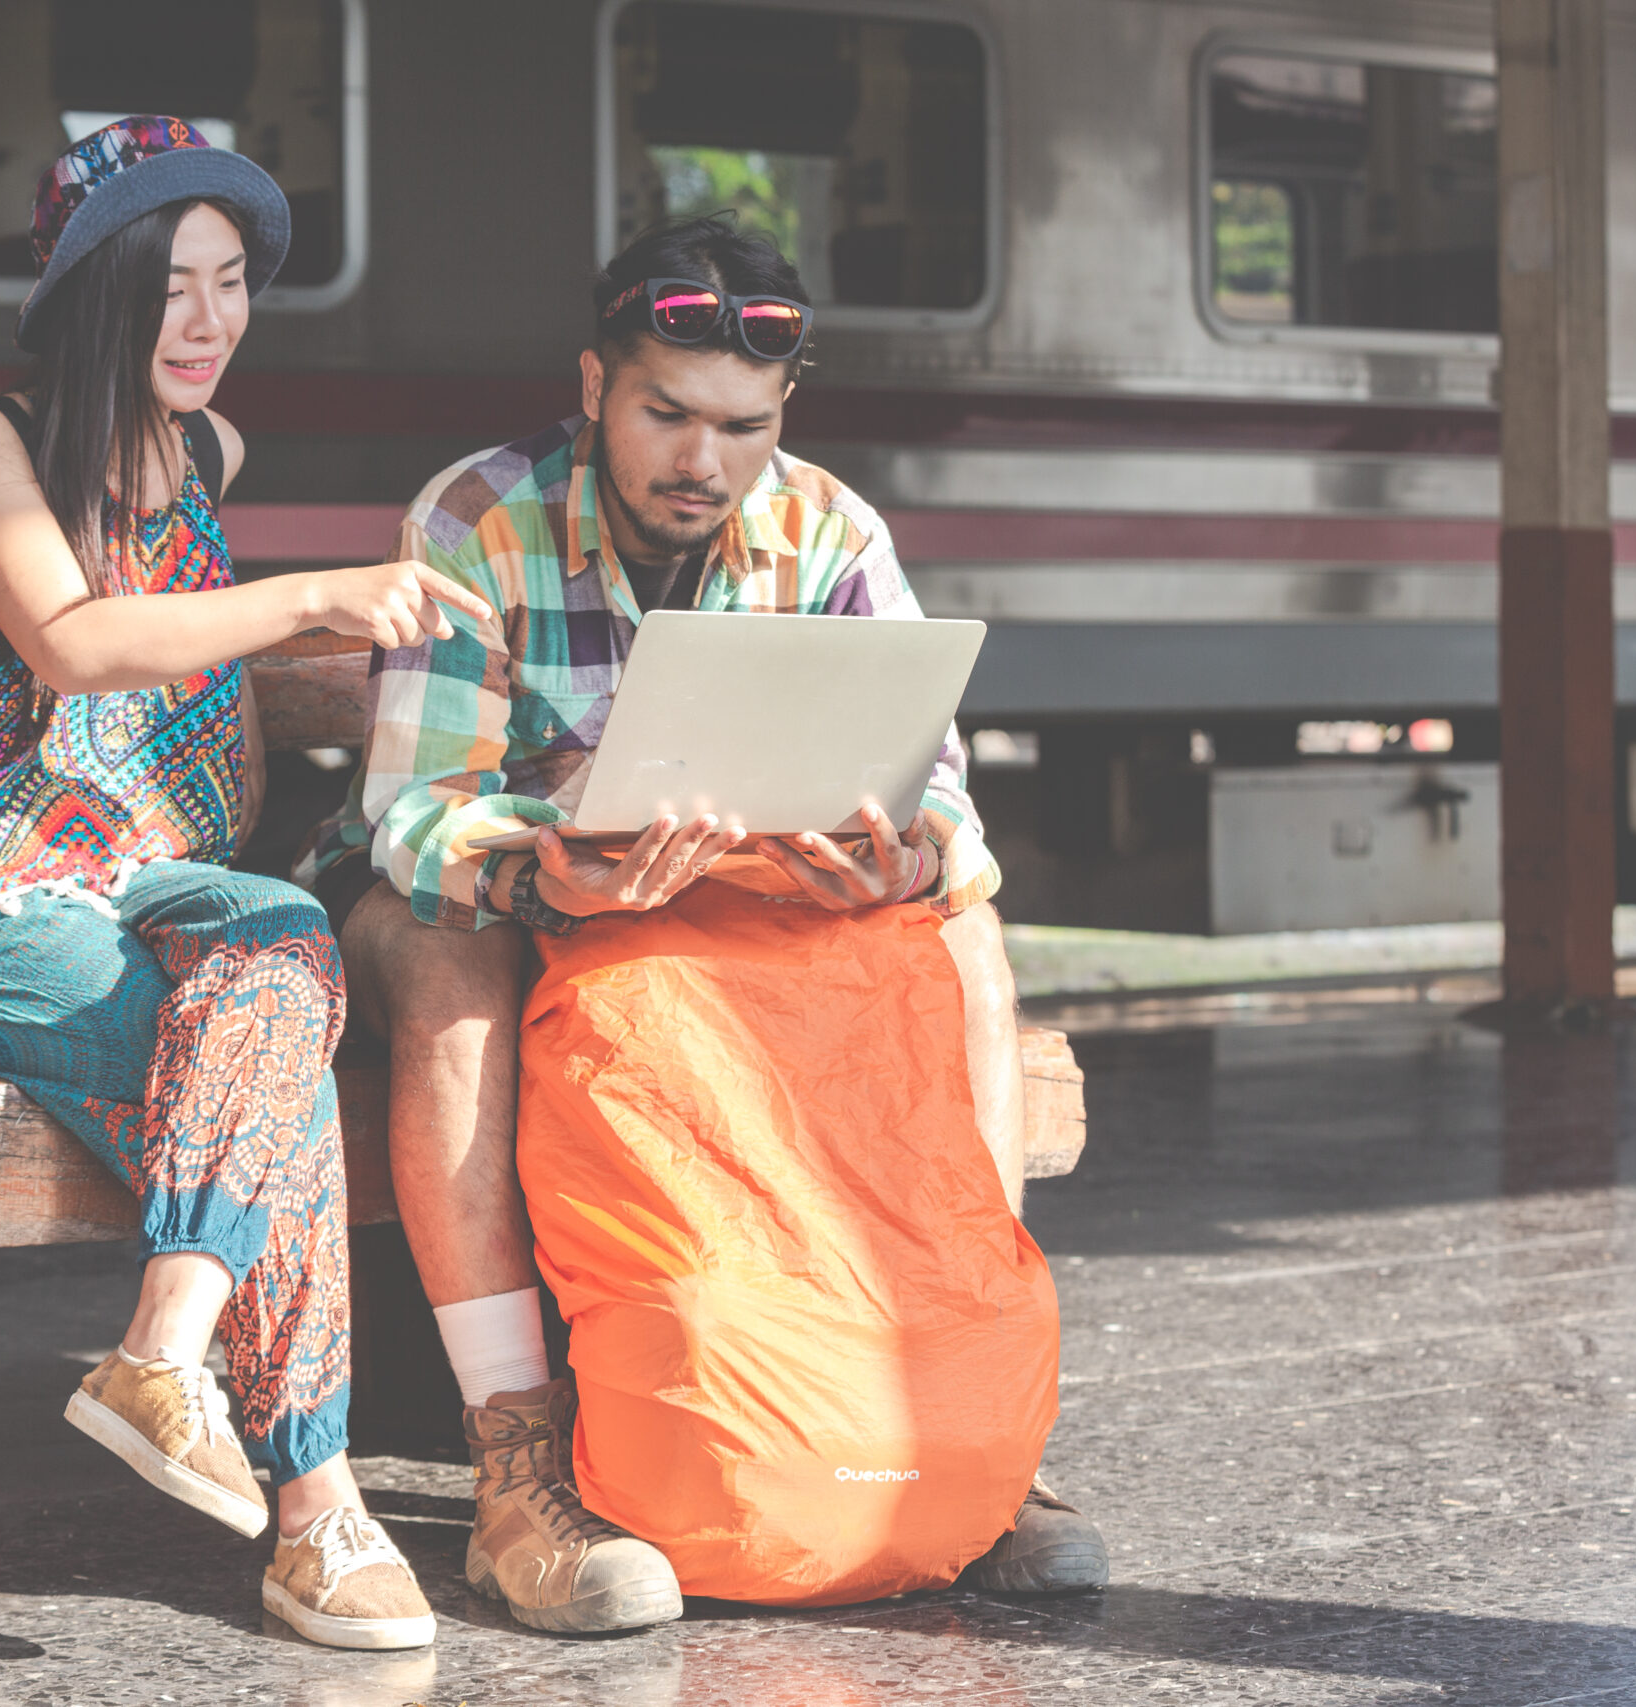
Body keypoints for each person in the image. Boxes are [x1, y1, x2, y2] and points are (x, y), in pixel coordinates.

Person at [300, 216, 1110, 1632]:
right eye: (665, 412)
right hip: (482, 901)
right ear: (595, 384)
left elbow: (947, 810)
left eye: (740, 425)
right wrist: (553, 874)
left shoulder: (834, 529)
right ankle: (518, 1470)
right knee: (449, 962)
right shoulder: (477, 517)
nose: (702, 459)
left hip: (717, 921)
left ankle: (962, 1393)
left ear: (780, 410)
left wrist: (899, 865)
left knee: (966, 927)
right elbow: (415, 819)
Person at [0, 116, 492, 1652]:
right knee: (273, 1085)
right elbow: (71, 637)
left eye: (232, 282)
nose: (210, 323)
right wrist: (316, 594)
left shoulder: (208, 452)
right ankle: (322, 1517)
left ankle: (163, 1348)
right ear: (92, 293)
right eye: (171, 286)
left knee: (277, 940)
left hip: (141, 887)